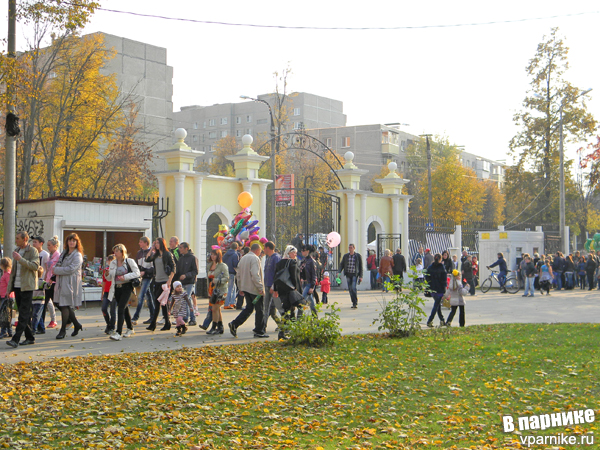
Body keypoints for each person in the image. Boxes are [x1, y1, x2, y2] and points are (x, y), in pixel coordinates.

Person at [6, 231, 40, 348]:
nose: (16, 240)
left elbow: (35, 266)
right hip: (17, 286)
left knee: (24, 314)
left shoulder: (33, 251)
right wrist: (9, 288)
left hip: (27, 286)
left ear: (25, 239)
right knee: (24, 313)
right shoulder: (17, 250)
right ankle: (30, 337)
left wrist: (21, 259)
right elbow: (13, 272)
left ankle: (16, 339)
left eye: (18, 238)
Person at [228, 243, 268, 339]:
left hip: (246, 288)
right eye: (260, 251)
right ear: (257, 250)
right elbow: (255, 274)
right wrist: (260, 287)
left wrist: (241, 287)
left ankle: (235, 323)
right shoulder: (254, 258)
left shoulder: (243, 258)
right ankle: (259, 330)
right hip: (255, 289)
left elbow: (238, 274)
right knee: (260, 309)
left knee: (249, 308)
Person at [53, 233, 84, 340]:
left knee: (65, 305)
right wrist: (57, 269)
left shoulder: (77, 255)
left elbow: (71, 269)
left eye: (74, 241)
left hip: (70, 283)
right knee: (60, 303)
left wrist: (57, 270)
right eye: (70, 240)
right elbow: (57, 264)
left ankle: (63, 330)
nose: (71, 242)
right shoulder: (64, 253)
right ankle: (76, 324)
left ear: (77, 243)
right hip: (61, 281)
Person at [107, 243, 141, 341]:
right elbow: (110, 278)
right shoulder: (113, 263)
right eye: (114, 251)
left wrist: (125, 277)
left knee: (121, 308)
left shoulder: (129, 261)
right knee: (124, 308)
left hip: (127, 287)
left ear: (122, 252)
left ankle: (118, 332)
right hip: (116, 288)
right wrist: (107, 275)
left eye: (117, 251)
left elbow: (137, 273)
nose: (115, 253)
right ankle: (130, 328)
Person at [272, 245, 302, 340]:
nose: (295, 254)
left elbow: (276, 277)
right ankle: (286, 332)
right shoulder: (292, 262)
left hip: (282, 290)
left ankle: (287, 332)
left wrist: (276, 289)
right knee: (288, 310)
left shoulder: (279, 262)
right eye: (293, 252)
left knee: (289, 310)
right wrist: (296, 288)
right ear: (288, 252)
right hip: (291, 290)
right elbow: (294, 277)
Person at [145, 238, 175, 332]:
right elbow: (147, 259)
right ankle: (167, 323)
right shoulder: (156, 255)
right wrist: (151, 249)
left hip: (165, 281)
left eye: (158, 243)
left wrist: (169, 280)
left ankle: (153, 324)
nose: (156, 245)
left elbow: (174, 267)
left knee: (158, 302)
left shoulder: (167, 254)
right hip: (157, 281)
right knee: (162, 303)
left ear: (162, 244)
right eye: (155, 243)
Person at [204, 248, 229, 335]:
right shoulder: (209, 265)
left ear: (218, 256)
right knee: (217, 309)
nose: (213, 256)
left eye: (214, 255)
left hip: (220, 290)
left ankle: (214, 327)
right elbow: (208, 279)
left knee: (215, 308)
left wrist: (217, 281)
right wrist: (208, 289)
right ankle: (220, 327)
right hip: (211, 289)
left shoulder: (223, 266)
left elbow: (226, 278)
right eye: (212, 254)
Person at [132, 236, 155, 325]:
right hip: (141, 276)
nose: (139, 243)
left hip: (148, 276)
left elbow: (153, 267)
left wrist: (145, 272)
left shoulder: (152, 253)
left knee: (141, 296)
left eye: (141, 242)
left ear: (146, 243)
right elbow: (136, 265)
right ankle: (153, 316)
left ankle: (135, 317)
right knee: (148, 297)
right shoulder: (139, 253)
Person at [174, 242, 198, 325]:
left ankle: (190, 318)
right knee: (187, 300)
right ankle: (188, 317)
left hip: (190, 282)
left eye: (181, 248)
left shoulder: (192, 258)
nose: (179, 249)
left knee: (186, 298)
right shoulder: (181, 258)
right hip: (182, 283)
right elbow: (178, 271)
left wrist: (186, 275)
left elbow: (195, 271)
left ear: (186, 248)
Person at [40, 236, 60, 330]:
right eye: (47, 245)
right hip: (48, 281)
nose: (48, 247)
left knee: (57, 303)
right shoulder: (50, 255)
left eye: (49, 245)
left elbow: (57, 269)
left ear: (55, 246)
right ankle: (41, 325)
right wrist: (44, 279)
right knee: (44, 303)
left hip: (54, 282)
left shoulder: (58, 256)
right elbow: (47, 269)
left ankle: (68, 317)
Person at [262, 242, 281, 332]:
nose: (263, 250)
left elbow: (277, 273)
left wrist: (275, 287)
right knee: (271, 309)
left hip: (272, 286)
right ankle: (281, 325)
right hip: (267, 285)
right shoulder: (268, 258)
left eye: (264, 248)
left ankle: (263, 326)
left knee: (270, 307)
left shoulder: (276, 258)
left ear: (268, 248)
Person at [425, 253, 447, 328]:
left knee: (437, 305)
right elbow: (444, 279)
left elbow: (427, 277)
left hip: (432, 289)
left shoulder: (430, 267)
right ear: (440, 259)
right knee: (436, 305)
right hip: (440, 289)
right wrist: (444, 289)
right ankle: (429, 320)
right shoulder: (442, 267)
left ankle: (442, 320)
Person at [339, 244, 363, 309]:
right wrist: (339, 272)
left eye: (351, 247)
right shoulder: (346, 256)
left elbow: (360, 267)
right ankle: (353, 302)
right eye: (349, 248)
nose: (350, 249)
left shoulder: (357, 256)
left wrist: (361, 276)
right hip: (348, 274)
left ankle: (355, 302)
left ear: (354, 248)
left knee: (353, 288)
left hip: (355, 274)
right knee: (350, 289)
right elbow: (342, 265)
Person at [299, 245, 318, 316]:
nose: (302, 252)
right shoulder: (303, 260)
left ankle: (299, 318)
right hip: (303, 283)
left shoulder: (311, 261)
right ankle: (315, 317)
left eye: (303, 250)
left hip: (309, 283)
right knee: (311, 302)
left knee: (302, 300)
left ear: (308, 251)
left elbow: (314, 275)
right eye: (301, 250)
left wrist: (312, 287)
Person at [101, 254, 117, 334]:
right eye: (109, 260)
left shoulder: (116, 270)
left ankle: (112, 327)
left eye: (112, 260)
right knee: (104, 308)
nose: (110, 262)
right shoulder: (106, 270)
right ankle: (108, 323)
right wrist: (102, 293)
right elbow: (104, 282)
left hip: (113, 292)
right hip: (107, 292)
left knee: (112, 310)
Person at [0, 258, 15, 339]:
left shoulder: (7, 275)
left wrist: (8, 293)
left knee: (4, 315)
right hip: (6, 296)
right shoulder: (6, 273)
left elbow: (9, 285)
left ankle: (4, 331)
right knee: (8, 315)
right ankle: (9, 331)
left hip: (6, 297)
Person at [223, 242, 240, 309]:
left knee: (234, 287)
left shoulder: (226, 254)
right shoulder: (235, 255)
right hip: (231, 272)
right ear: (237, 247)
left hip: (225, 272)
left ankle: (232, 302)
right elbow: (236, 264)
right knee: (230, 288)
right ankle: (227, 304)